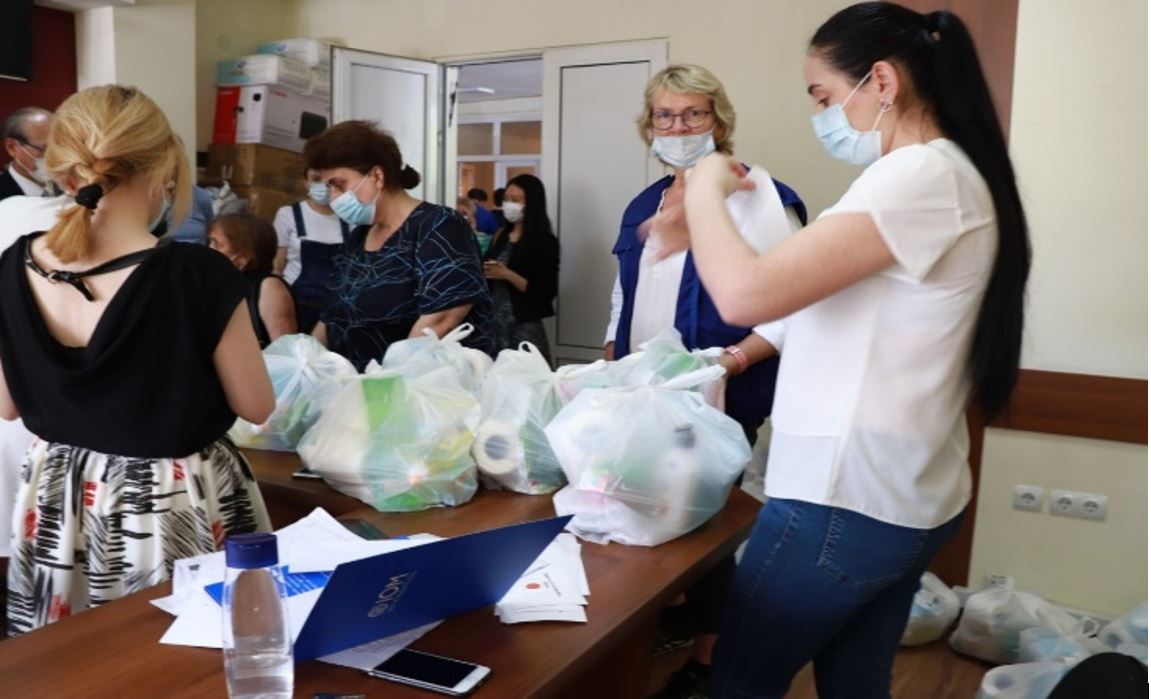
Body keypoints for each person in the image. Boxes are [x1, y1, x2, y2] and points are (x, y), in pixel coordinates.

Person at [680, 5, 1031, 697]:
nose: (820, 115)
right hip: (907, 491)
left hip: (843, 502)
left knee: (740, 681)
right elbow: (816, 303)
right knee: (855, 679)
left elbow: (743, 294)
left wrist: (701, 188)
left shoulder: (918, 176)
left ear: (882, 82)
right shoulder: (951, 173)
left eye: (822, 97)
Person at [0, 85, 276, 635]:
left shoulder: (14, 263)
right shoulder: (196, 274)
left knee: (62, 657)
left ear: (66, 170)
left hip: (56, 493)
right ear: (164, 169)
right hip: (167, 498)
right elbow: (257, 405)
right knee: (172, 653)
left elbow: (6, 405)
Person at [605, 63, 806, 699]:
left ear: (719, 121)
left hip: (722, 392)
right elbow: (624, 296)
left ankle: (709, 664)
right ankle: (674, 624)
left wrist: (730, 363)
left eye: (693, 114)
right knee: (645, 513)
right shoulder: (645, 204)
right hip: (645, 393)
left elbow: (794, 307)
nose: (679, 127)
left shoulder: (759, 196)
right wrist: (611, 368)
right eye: (665, 116)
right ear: (649, 126)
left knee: (704, 529)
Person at [303, 121, 494, 370]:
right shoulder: (359, 236)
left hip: (415, 384)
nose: (333, 197)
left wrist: (386, 382)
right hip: (353, 384)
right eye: (329, 187)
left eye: (339, 184)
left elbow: (441, 319)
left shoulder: (439, 226)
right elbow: (331, 315)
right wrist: (308, 365)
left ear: (377, 176)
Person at [482, 174, 559, 362]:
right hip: (493, 322)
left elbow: (545, 292)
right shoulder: (501, 234)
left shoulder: (545, 242)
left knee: (527, 374)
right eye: (507, 199)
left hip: (523, 324)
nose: (509, 204)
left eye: (516, 200)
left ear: (531, 203)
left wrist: (507, 274)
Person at [272, 168, 350, 333]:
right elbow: (277, 267)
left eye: (330, 181)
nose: (323, 185)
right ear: (306, 182)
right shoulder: (288, 214)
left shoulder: (351, 219)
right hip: (293, 302)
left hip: (333, 308)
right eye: (316, 179)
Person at [208, 212, 299, 347]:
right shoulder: (218, 284)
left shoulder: (269, 287)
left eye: (217, 245)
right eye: (210, 242)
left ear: (243, 257)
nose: (209, 249)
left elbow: (286, 350)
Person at [0, 107, 55, 200]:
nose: (56, 157)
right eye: (45, 149)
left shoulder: (71, 182)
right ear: (12, 147)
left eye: (60, 147)